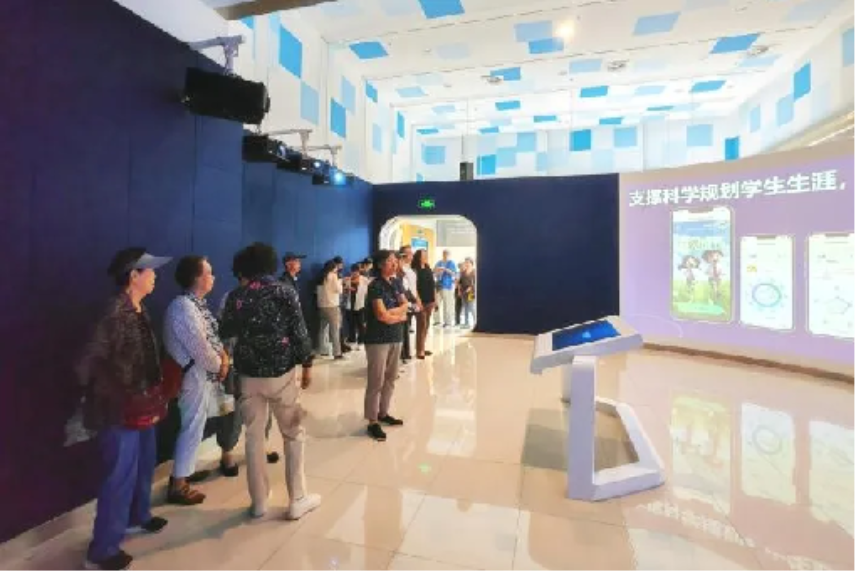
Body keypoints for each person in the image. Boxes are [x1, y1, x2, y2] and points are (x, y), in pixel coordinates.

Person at [77, 248, 172, 572]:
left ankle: (137, 516)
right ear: (134, 275)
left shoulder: (140, 309)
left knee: (144, 464)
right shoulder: (113, 313)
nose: (155, 276)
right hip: (119, 411)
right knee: (118, 476)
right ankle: (102, 551)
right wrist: (117, 394)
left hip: (144, 404)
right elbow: (89, 362)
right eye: (150, 270)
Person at [220, 243, 320, 521]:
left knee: (253, 437)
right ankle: (297, 499)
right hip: (281, 374)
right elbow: (299, 332)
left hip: (248, 375)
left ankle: (259, 502)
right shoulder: (284, 291)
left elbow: (225, 330)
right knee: (293, 433)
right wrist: (307, 364)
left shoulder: (235, 296)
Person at [163, 256, 229, 506]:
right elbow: (200, 348)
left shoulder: (196, 305)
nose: (213, 277)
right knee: (192, 426)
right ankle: (178, 484)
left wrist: (222, 357)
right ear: (196, 278)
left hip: (199, 373)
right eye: (208, 273)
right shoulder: (184, 307)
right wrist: (221, 365)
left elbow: (211, 339)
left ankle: (184, 472)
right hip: (192, 375)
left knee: (195, 425)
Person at [364, 250, 409, 442]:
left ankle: (383, 412)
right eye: (390, 261)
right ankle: (372, 420)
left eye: (395, 261)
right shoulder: (375, 286)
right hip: (377, 339)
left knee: (391, 378)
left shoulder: (397, 282)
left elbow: (406, 304)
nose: (394, 264)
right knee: (376, 380)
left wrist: (393, 314)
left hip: (396, 336)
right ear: (380, 264)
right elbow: (381, 315)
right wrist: (398, 316)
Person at [316, 260, 344, 359]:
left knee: (323, 329)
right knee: (335, 330)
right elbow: (339, 290)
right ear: (333, 268)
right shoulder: (333, 275)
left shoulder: (320, 276)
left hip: (321, 306)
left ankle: (323, 350)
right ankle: (337, 353)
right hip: (332, 306)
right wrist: (341, 282)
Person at [398, 246, 422, 363]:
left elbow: (413, 287)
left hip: (412, 300)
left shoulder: (410, 269)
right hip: (405, 301)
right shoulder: (400, 270)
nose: (412, 255)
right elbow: (403, 289)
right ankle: (403, 354)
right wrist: (410, 301)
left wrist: (418, 299)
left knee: (406, 328)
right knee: (403, 328)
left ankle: (406, 353)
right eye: (409, 253)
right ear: (403, 255)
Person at [413, 249, 436, 360]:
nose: (426, 257)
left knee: (426, 325)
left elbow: (433, 285)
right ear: (419, 257)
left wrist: (435, 299)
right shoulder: (415, 270)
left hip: (430, 300)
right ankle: (419, 350)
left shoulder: (428, 269)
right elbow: (414, 287)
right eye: (424, 255)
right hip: (420, 301)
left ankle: (422, 347)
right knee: (421, 325)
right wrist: (418, 300)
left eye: (427, 255)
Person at [345, 263, 370, 349]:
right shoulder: (348, 280)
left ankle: (361, 341)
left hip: (360, 304)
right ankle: (352, 339)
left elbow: (368, 290)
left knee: (360, 324)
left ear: (359, 272)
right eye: (353, 272)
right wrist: (347, 289)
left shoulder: (364, 279)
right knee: (351, 324)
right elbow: (344, 292)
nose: (354, 274)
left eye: (356, 272)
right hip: (350, 304)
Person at [434, 250, 458, 328]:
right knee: (436, 303)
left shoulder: (451, 263)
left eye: (447, 254)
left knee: (447, 305)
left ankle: (447, 322)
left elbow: (454, 274)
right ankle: (437, 321)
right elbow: (434, 272)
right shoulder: (439, 262)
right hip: (438, 286)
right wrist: (438, 271)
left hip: (447, 286)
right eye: (444, 254)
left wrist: (445, 269)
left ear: (449, 255)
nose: (445, 255)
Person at [459, 258, 477, 329]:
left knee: (471, 307)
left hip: (471, 293)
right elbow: (460, 282)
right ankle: (466, 323)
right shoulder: (463, 272)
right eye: (465, 262)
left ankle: (476, 322)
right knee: (465, 307)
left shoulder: (474, 272)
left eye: (468, 262)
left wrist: (470, 288)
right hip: (464, 292)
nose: (466, 264)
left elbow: (475, 283)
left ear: (471, 263)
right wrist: (459, 291)